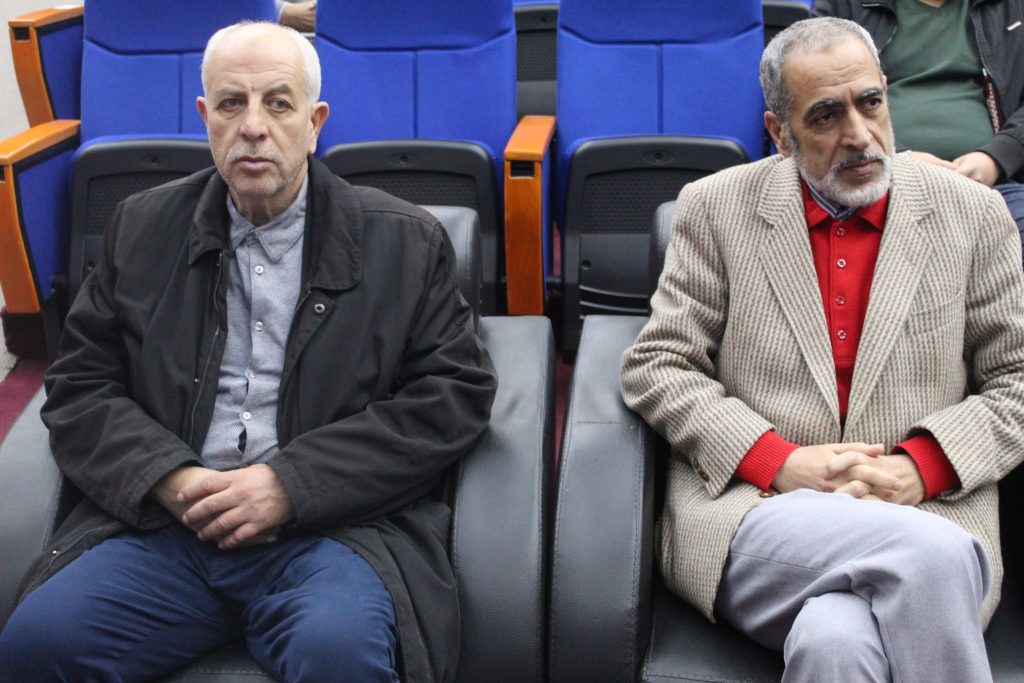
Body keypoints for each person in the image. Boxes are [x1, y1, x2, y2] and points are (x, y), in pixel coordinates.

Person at [0, 21, 496, 682]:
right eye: (231, 103)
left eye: (278, 104)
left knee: (338, 657)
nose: (253, 126)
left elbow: (452, 396)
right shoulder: (141, 228)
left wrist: (291, 484)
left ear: (314, 123)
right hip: (169, 529)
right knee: (36, 645)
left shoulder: (404, 241)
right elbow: (81, 386)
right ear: (205, 116)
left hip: (333, 533)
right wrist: (172, 480)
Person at [621, 17, 1024, 682]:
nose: (859, 134)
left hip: (927, 505)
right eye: (827, 115)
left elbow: (1016, 377)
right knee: (931, 559)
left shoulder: (973, 215)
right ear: (780, 133)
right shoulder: (715, 209)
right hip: (761, 515)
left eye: (870, 102)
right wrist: (779, 461)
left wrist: (925, 465)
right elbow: (659, 364)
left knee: (834, 640)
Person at [815, 0, 1024, 258]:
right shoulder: (845, 6)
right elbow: (815, 95)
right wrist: (897, 157)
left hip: (993, 187)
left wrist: (996, 158)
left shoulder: (1011, 7)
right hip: (875, 182)